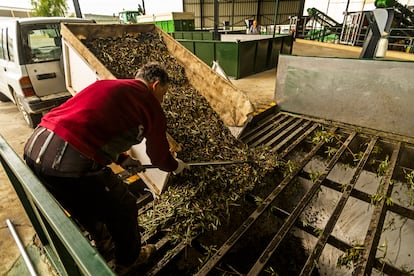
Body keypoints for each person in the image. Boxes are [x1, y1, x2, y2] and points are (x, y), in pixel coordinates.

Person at [23, 62, 189, 274]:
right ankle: (130, 260)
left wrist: (121, 159)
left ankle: (104, 244)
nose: (162, 100)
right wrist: (175, 166)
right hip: (66, 161)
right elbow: (159, 157)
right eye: (163, 94)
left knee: (82, 204)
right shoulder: (149, 102)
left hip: (35, 147)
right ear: (155, 85)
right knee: (125, 206)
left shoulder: (107, 86)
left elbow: (88, 124)